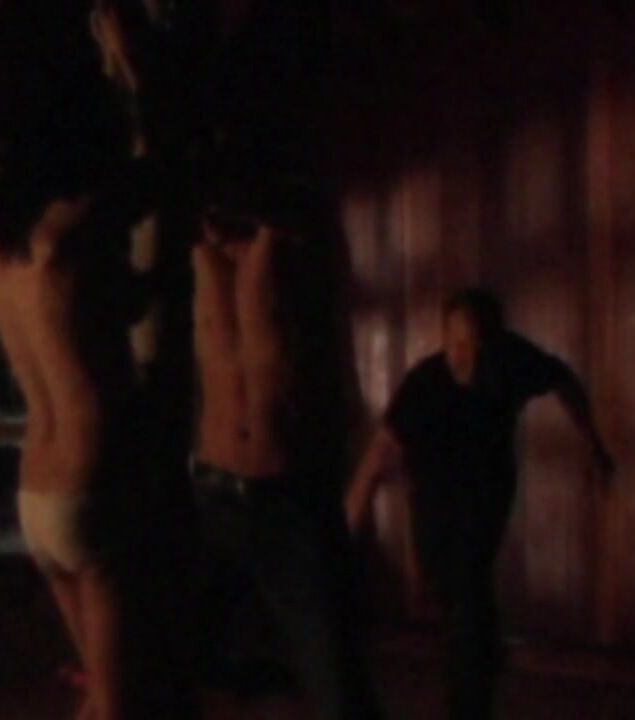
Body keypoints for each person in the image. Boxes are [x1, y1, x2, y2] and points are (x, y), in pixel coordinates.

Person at [345, 288, 615, 720]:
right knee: (457, 596)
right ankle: (482, 660)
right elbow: (373, 465)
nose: (469, 358)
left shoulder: (511, 361)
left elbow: (563, 380)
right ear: (444, 339)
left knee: (466, 598)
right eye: (459, 345)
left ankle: (471, 690)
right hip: (436, 502)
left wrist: (593, 444)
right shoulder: (425, 386)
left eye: (479, 346)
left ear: (496, 340)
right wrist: (344, 545)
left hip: (488, 493)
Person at [189, 206, 381, 720]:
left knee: (335, 675)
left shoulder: (291, 265)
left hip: (284, 498)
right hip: (213, 495)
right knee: (171, 664)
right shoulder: (204, 265)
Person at [0, 126, 143, 720]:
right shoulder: (69, 233)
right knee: (118, 703)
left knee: (101, 696)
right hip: (88, 476)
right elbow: (149, 183)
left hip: (36, 493)